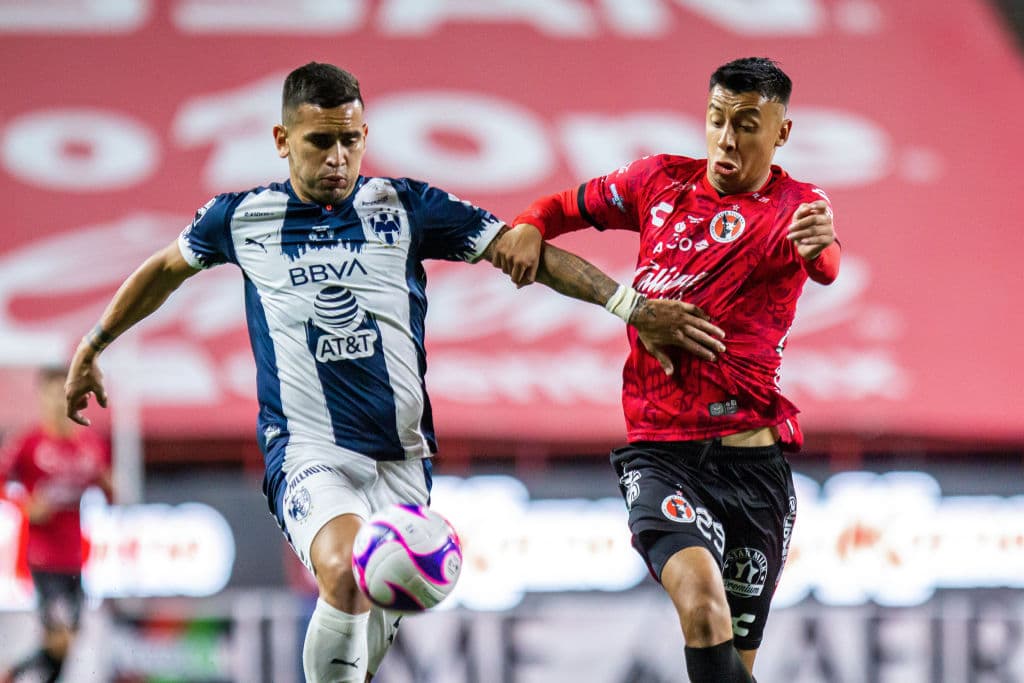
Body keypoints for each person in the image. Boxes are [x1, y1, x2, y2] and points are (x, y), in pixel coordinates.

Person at [62, 62, 726, 683]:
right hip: (307, 446)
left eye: (350, 140)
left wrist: (629, 305)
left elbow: (523, 252)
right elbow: (163, 270)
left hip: (403, 459)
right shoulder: (241, 219)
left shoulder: (406, 207)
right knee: (345, 572)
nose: (338, 157)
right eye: (320, 141)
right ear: (281, 139)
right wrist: (95, 342)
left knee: (369, 618)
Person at [496, 57, 840, 682]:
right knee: (702, 608)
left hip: (754, 470)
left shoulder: (798, 206)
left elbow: (826, 263)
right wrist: (529, 223)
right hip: (663, 457)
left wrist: (822, 249)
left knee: (733, 665)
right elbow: (563, 204)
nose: (727, 139)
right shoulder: (659, 182)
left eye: (747, 125)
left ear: (781, 134)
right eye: (716, 120)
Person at [0, 366, 112, 683]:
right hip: (42, 558)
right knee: (59, 637)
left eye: (62, 392)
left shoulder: (90, 446)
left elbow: (110, 491)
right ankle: (10, 675)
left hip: (76, 557)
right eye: (49, 393)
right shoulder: (29, 443)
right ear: (40, 397)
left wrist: (109, 485)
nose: (55, 401)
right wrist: (24, 505)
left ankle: (13, 673)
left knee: (68, 641)